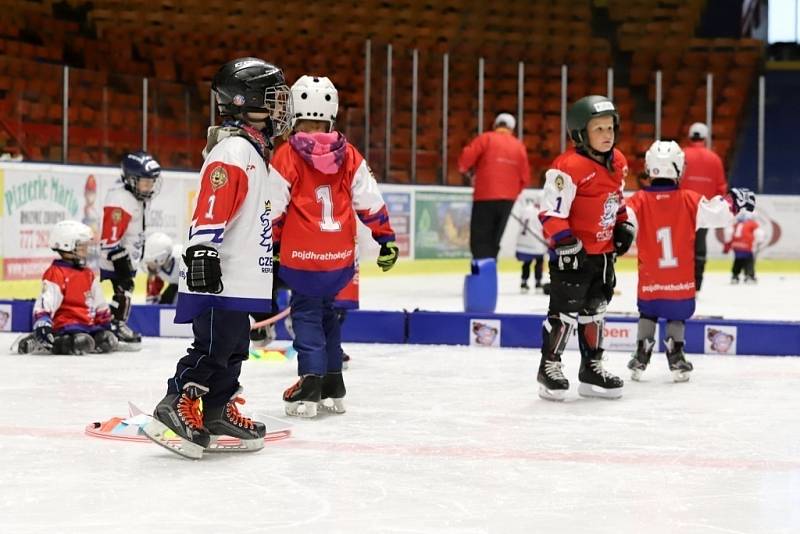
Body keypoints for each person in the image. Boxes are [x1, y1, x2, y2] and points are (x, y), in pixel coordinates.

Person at [143, 57, 292, 459]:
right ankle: (176, 402)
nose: (282, 108)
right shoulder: (233, 149)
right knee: (212, 345)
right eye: (274, 99)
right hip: (218, 274)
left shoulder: (255, 151)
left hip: (239, 276)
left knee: (234, 345)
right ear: (246, 101)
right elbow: (214, 201)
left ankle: (215, 408)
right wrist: (205, 249)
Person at [270, 74, 398, 418]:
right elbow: (370, 201)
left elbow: (274, 208)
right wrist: (386, 239)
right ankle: (334, 381)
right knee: (327, 313)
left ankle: (310, 379)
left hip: (301, 259)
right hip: (339, 260)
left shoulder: (286, 155)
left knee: (307, 313)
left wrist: (271, 246)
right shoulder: (351, 155)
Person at [626, 141, 755, 382]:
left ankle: (642, 352)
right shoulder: (689, 199)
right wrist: (735, 201)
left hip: (650, 280)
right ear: (677, 168)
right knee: (676, 315)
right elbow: (718, 212)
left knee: (648, 313)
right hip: (679, 282)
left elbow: (622, 222)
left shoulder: (638, 200)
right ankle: (676, 355)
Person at [536, 95, 634, 401]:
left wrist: (622, 225)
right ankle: (549, 367)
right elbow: (550, 212)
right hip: (572, 256)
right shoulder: (568, 167)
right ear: (580, 133)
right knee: (564, 313)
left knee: (595, 311)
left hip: (603, 254)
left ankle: (591, 368)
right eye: (599, 129)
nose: (607, 134)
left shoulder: (618, 161)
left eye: (610, 128)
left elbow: (616, 200)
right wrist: (565, 241)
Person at [17, 220, 118, 355]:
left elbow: (99, 301)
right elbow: (46, 301)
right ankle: (50, 343)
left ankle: (81, 341)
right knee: (75, 341)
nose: (86, 249)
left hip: (88, 325)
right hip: (66, 326)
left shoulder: (88, 274)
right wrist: (43, 323)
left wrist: (105, 323)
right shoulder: (56, 273)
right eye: (82, 246)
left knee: (107, 340)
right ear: (67, 246)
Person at [99, 151, 162, 346]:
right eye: (145, 182)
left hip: (126, 256)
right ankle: (115, 325)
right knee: (123, 288)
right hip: (116, 257)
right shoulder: (121, 199)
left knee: (125, 289)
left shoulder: (135, 197)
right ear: (131, 179)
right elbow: (110, 237)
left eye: (151, 182)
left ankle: (115, 324)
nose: (149, 186)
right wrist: (119, 258)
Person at [457, 112, 530, 260]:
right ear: (512, 129)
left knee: (480, 239)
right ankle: (490, 269)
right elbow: (525, 178)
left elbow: (466, 159)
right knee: (495, 239)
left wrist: (465, 170)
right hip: (508, 199)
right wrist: (512, 194)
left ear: (495, 125)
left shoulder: (486, 138)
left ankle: (481, 272)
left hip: (485, 195)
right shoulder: (519, 146)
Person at [681, 122, 728, 291]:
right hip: (704, 209)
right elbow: (721, 188)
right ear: (705, 137)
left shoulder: (682, 155)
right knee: (699, 246)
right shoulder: (714, 159)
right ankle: (697, 283)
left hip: (681, 209)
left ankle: (680, 282)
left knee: (681, 246)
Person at [512, 196, 546, 293]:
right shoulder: (541, 212)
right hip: (536, 244)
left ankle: (523, 283)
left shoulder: (526, 209)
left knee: (526, 263)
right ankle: (538, 283)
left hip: (523, 243)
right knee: (539, 262)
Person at [724, 211, 765, 284]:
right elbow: (759, 234)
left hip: (736, 245)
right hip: (747, 245)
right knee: (749, 261)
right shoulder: (753, 224)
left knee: (738, 260)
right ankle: (749, 275)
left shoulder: (736, 224)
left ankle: (735, 276)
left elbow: (729, 232)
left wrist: (727, 244)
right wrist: (759, 242)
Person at [142, 232, 181, 304]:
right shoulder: (156, 269)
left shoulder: (182, 258)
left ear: (161, 258)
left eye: (151, 260)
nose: (148, 264)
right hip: (176, 286)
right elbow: (153, 291)